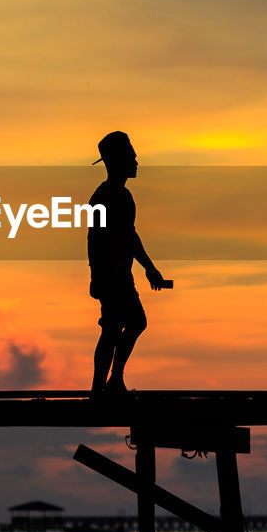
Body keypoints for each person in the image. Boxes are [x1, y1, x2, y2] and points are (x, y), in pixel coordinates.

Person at [88, 131, 167, 396]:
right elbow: (106, 239)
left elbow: (129, 235)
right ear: (117, 160)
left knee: (117, 327)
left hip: (118, 274)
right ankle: (106, 386)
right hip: (113, 276)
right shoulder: (108, 196)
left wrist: (147, 267)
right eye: (131, 156)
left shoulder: (120, 195)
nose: (136, 160)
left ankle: (107, 385)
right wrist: (149, 267)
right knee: (125, 324)